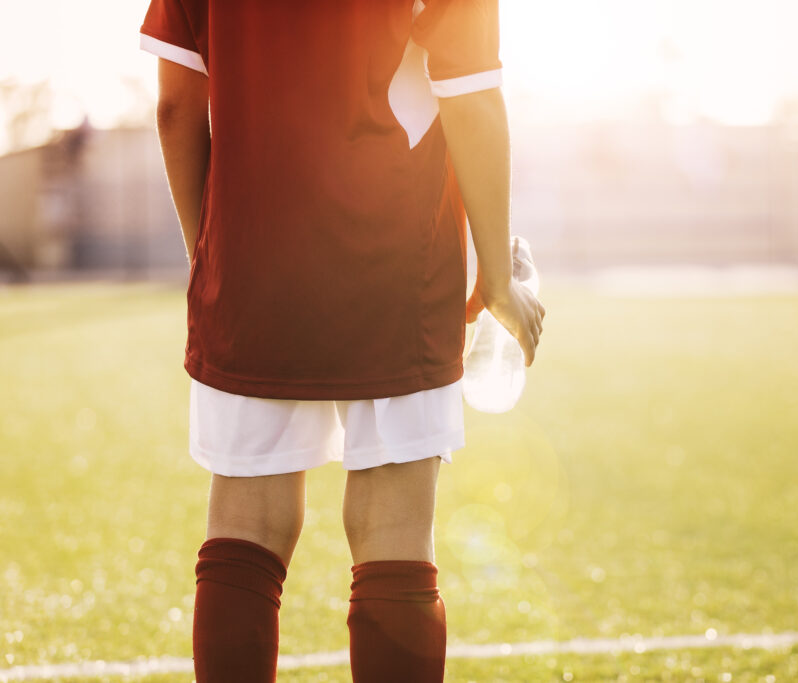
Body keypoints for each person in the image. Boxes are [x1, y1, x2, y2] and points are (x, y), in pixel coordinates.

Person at [139, 2, 545, 681]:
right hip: (397, 261)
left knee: (245, 526)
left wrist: (217, 257)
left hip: (252, 265)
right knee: (394, 534)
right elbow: (471, 91)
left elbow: (176, 105)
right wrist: (498, 280)